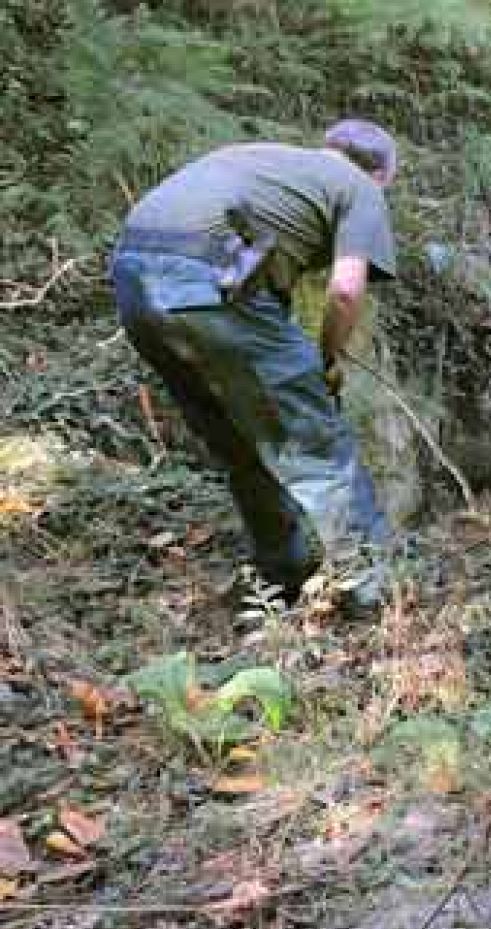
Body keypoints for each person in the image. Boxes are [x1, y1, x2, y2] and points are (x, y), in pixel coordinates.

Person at [109, 119, 400, 612]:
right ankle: (373, 593)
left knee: (240, 441)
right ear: (384, 175)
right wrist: (327, 359)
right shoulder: (360, 189)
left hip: (133, 279)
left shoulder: (263, 159)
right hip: (207, 286)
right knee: (317, 441)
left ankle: (282, 579)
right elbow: (346, 290)